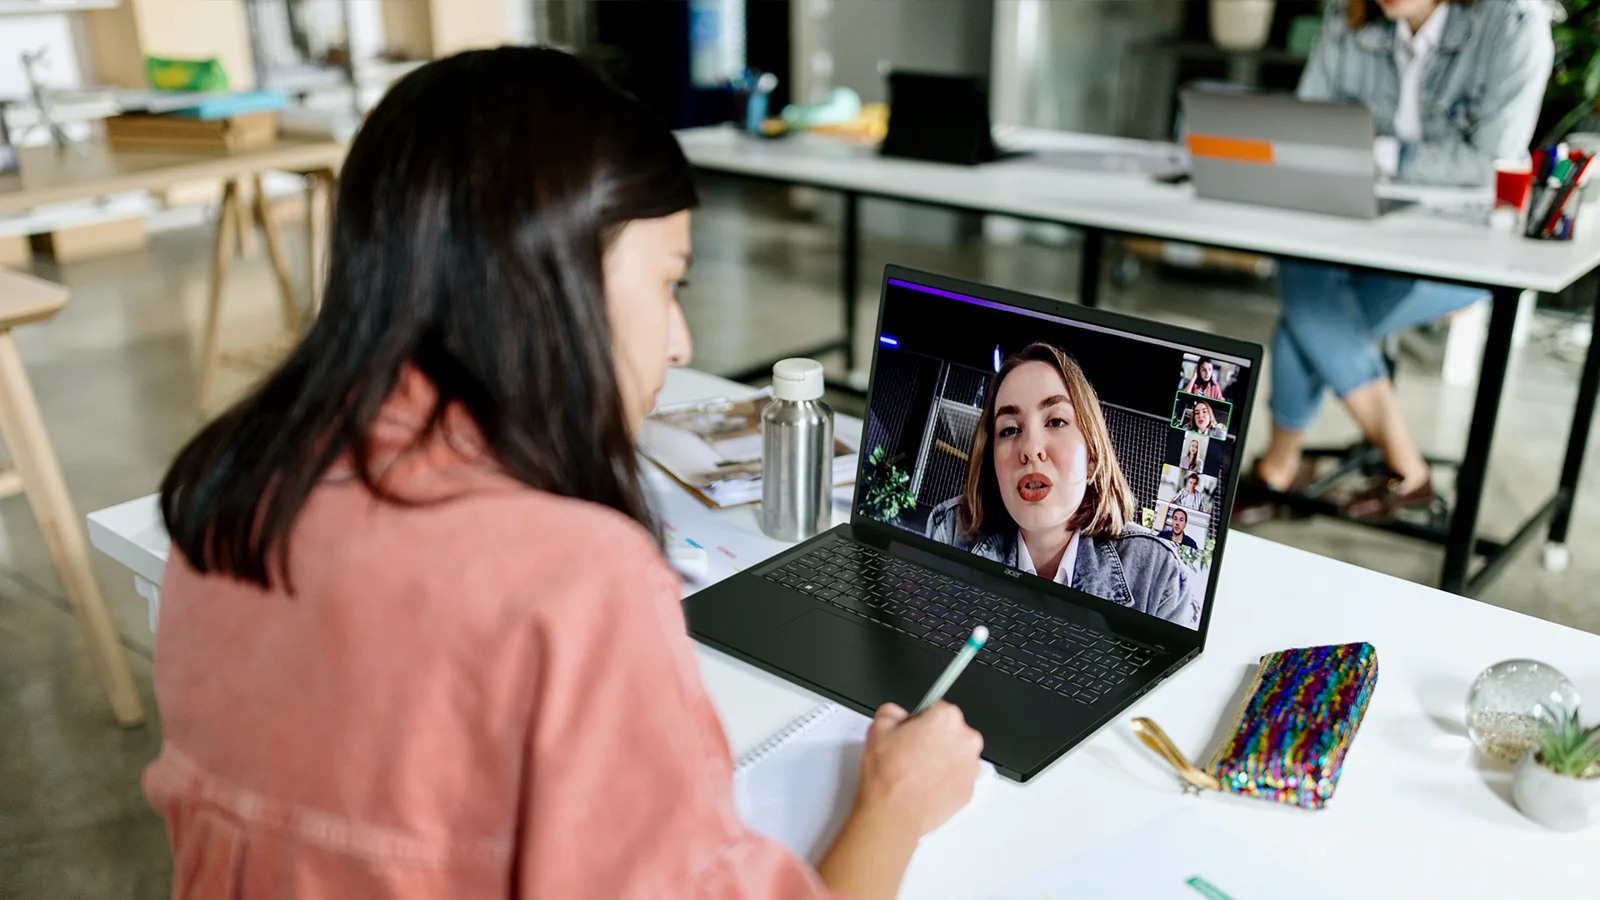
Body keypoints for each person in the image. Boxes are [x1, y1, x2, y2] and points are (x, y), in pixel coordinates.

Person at [144, 48, 983, 900]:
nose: (682, 342)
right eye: (669, 281)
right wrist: (895, 805)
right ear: (556, 277)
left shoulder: (230, 494)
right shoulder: (568, 580)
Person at [1250, 0, 1552, 522]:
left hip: (1465, 246)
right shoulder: (1349, 15)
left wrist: (1379, 154)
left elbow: (1489, 163)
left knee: (1309, 314)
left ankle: (1283, 467)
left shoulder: (1515, 26)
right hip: (1356, 227)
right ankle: (1404, 471)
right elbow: (1307, 127)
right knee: (1303, 269)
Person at [927, 343, 1200, 628]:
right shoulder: (951, 532)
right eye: (1009, 430)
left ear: (1092, 457)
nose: (1031, 449)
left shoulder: (1155, 574)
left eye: (1056, 421)